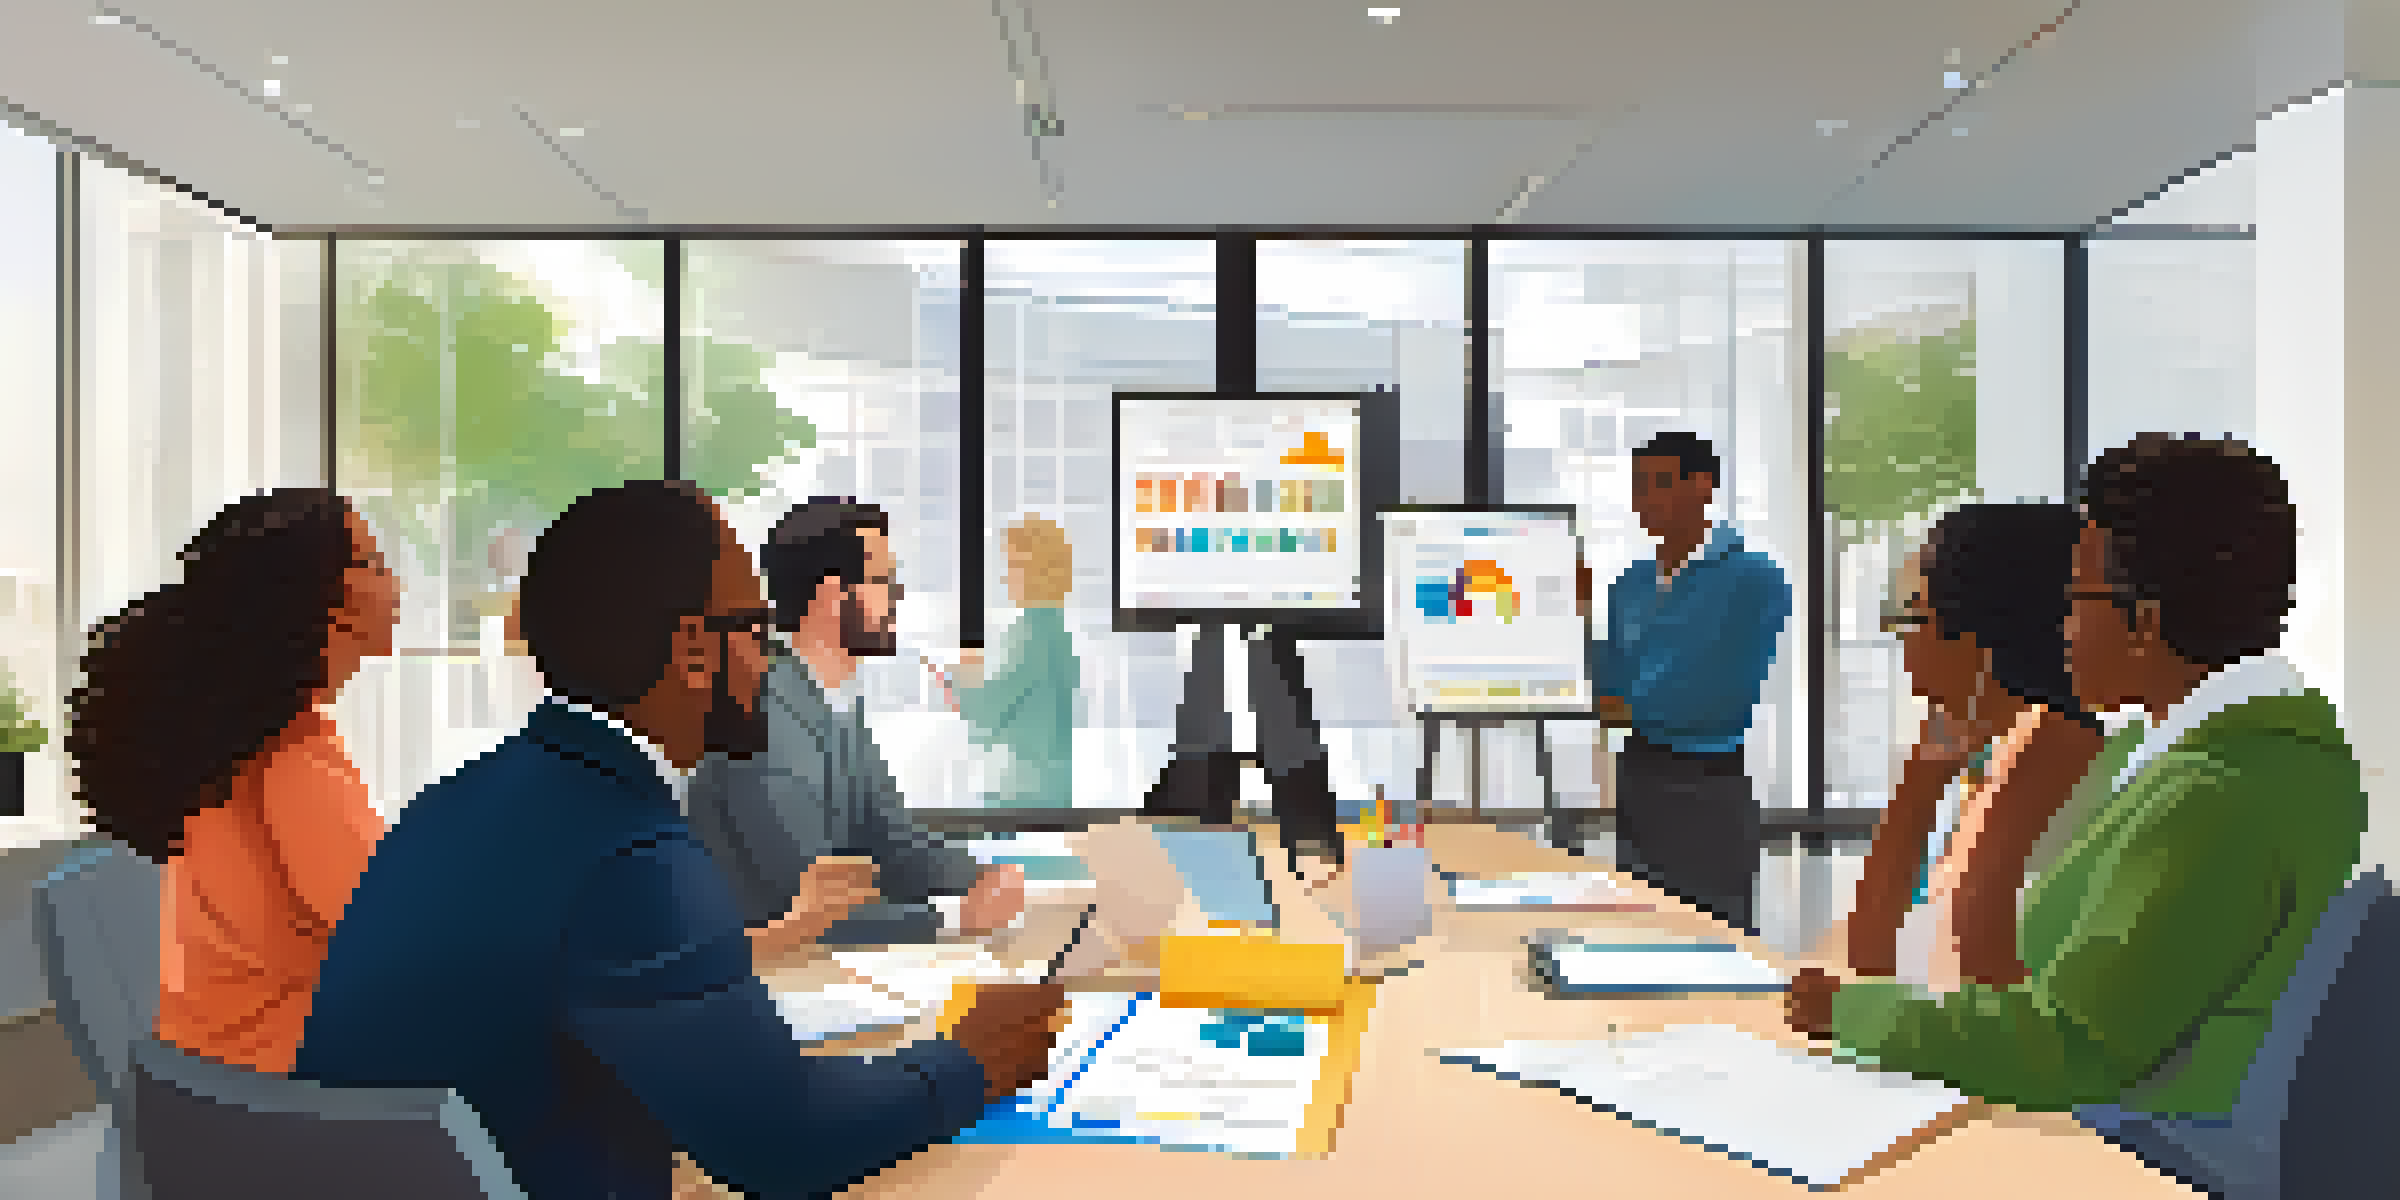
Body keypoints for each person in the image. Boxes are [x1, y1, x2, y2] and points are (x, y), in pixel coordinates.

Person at [296, 481, 1064, 1199]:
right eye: (758, 628)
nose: (769, 659)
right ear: (695, 652)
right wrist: (970, 1062)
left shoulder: (461, 799)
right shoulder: (628, 850)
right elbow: (781, 1141)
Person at [1790, 436, 2367, 1119]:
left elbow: (2073, 1048)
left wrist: (1856, 1013)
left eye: (2076, 599)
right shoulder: (2173, 753)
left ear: (2142, 622)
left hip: (2141, 1150)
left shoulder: (2214, 792)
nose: (2061, 630)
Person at [65, 489, 398, 1076]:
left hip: (211, 1080)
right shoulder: (296, 758)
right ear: (333, 599)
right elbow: (397, 935)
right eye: (372, 562)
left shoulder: (243, 745)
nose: (393, 579)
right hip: (289, 1088)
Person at [683, 499, 1028, 947]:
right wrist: (952, 917)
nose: (896, 597)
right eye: (883, 581)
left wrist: (983, 877)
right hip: (765, 979)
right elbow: (801, 903)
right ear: (831, 595)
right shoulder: (758, 708)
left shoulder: (834, 705)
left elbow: (895, 843)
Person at [1844, 504, 2114, 990]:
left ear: (1977, 642)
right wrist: (1923, 776)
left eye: (1912, 617)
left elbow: (1913, 974)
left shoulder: (2055, 762)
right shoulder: (1987, 759)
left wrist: (1919, 786)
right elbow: (1870, 960)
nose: (1901, 641)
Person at [1589, 432, 1792, 932]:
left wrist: (1631, 703)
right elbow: (1609, 688)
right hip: (1637, 776)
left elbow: (1705, 693)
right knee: (1639, 934)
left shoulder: (1753, 579)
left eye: (1659, 484)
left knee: (1713, 940)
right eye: (1638, 487)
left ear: (1704, 486)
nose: (1644, 502)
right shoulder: (1629, 584)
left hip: (1707, 785)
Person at [935, 515, 1080, 809]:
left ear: (1036, 571)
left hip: (1020, 795)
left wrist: (955, 681)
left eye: (1013, 566)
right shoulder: (1058, 629)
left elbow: (986, 713)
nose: (1006, 577)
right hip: (1053, 788)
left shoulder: (1030, 633)